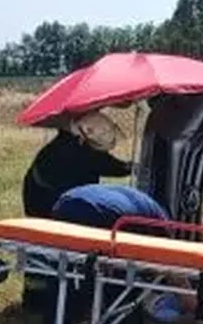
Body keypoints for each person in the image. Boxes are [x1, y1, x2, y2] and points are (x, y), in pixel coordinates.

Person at [21, 111, 132, 311]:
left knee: (41, 247)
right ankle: (47, 300)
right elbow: (109, 165)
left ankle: (38, 297)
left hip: (40, 196)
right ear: (84, 136)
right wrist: (131, 167)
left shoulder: (69, 143)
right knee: (52, 250)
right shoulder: (77, 152)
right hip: (47, 203)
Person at [48, 184, 171, 324]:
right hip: (110, 217)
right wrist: (192, 302)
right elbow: (167, 264)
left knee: (76, 264)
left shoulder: (141, 201)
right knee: (121, 273)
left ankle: (66, 316)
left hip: (63, 204)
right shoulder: (161, 226)